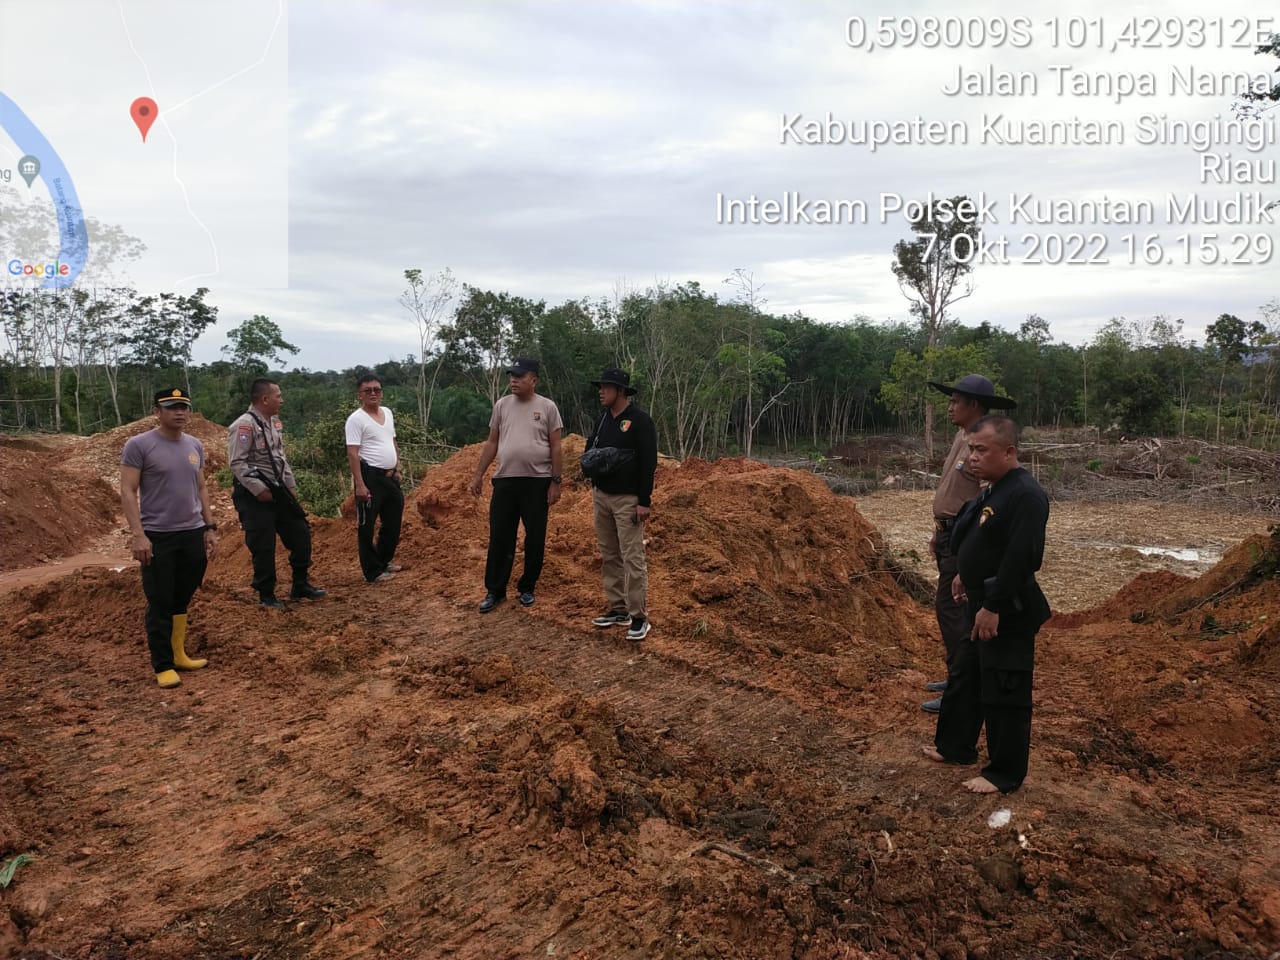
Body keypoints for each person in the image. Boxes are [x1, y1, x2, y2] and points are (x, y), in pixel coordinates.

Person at [923, 414, 1051, 794]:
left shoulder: (1025, 495)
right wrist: (965, 573)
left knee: (1004, 686)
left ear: (1009, 452)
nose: (972, 458)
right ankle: (955, 747)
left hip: (1007, 607)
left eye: (981, 450)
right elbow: (983, 539)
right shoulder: (994, 488)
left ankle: (1004, 772)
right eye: (970, 449)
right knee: (966, 676)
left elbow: (1022, 557)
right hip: (979, 598)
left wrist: (993, 605)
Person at [920, 375, 1017, 714]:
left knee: (953, 609)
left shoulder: (983, 446)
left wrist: (969, 545)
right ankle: (957, 677)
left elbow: (984, 499)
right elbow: (953, 491)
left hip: (965, 539)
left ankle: (961, 687)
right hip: (948, 534)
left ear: (974, 405)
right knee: (953, 609)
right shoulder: (963, 438)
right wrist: (938, 532)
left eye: (955, 401)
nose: (949, 407)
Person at [120, 388, 219, 688]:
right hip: (158, 535)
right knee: (160, 600)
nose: (179, 413)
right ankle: (162, 664)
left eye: (184, 407)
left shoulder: (194, 445)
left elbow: (200, 487)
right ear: (156, 411)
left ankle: (179, 655)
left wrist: (210, 527)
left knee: (181, 596)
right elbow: (128, 490)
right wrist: (138, 535)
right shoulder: (138, 445)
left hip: (191, 533)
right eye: (172, 407)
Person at [468, 357, 563, 612]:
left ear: (534, 379)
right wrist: (478, 474)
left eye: (520, 376)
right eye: (512, 375)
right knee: (500, 536)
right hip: (505, 481)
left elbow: (556, 445)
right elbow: (491, 442)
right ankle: (495, 590)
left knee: (535, 537)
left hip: (537, 482)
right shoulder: (502, 406)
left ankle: (527, 587)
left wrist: (556, 481)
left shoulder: (547, 407)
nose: (514, 380)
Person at [228, 378, 327, 608]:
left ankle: (300, 585)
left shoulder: (274, 422)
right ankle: (266, 594)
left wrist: (290, 486)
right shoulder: (243, 425)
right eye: (278, 396)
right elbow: (238, 463)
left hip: (279, 491)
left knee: (300, 534)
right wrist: (259, 491)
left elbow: (281, 457)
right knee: (263, 545)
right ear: (264, 399)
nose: (281, 400)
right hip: (254, 496)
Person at [585, 367, 658, 641]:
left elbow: (649, 463)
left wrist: (644, 500)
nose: (601, 391)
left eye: (606, 387)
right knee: (609, 554)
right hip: (601, 495)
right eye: (600, 387)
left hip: (628, 499)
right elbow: (590, 448)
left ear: (620, 391)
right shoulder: (602, 419)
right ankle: (618, 609)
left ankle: (639, 616)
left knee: (632, 558)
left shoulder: (639, 421)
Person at [345, 373, 404, 583]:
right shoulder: (356, 419)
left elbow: (392, 441)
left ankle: (383, 560)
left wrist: (397, 467)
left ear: (382, 393)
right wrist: (360, 484)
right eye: (367, 390)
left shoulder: (387, 412)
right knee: (367, 525)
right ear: (359, 395)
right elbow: (353, 453)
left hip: (390, 476)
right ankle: (372, 571)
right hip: (370, 477)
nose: (373, 393)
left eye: (376, 390)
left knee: (393, 522)